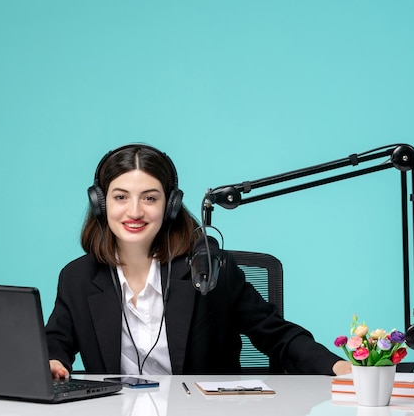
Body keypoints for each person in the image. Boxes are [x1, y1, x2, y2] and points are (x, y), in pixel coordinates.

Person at [45, 143, 351, 379]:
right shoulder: (77, 277)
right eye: (121, 197)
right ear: (100, 203)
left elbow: (276, 334)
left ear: (171, 206)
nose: (135, 211)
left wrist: (337, 367)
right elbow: (56, 340)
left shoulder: (208, 268)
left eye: (150, 198)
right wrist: (53, 362)